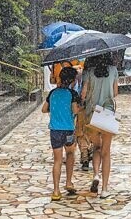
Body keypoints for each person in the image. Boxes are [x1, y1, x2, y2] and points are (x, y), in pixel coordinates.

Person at [80, 53, 119, 199]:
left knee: (96, 147)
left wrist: (88, 97)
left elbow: (83, 93)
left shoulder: (89, 72)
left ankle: (96, 175)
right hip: (107, 114)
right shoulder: (113, 70)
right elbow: (115, 93)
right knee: (106, 152)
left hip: (92, 115)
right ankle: (104, 189)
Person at [42, 67, 80, 201]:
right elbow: (75, 111)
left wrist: (56, 110)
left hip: (55, 130)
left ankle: (56, 190)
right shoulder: (72, 94)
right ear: (72, 81)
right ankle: (68, 182)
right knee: (70, 154)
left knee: (57, 160)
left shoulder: (53, 93)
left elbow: (44, 109)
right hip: (69, 129)